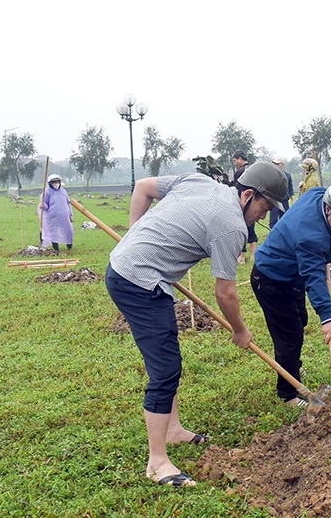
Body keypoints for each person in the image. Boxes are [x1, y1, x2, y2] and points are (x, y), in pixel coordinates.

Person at [105, 162, 287, 488]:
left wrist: (132, 236)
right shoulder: (231, 225)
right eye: (264, 206)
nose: (264, 215)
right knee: (165, 369)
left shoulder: (199, 182)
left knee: (167, 357)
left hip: (141, 274)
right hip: (137, 281)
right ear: (247, 194)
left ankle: (173, 430)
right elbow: (225, 292)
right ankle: (157, 462)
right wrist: (240, 330)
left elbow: (143, 187)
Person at [251, 181, 331, 406]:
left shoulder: (318, 194)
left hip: (292, 278)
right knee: (289, 337)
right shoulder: (311, 238)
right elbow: (314, 278)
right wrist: (328, 318)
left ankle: (292, 366)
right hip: (271, 280)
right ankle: (288, 394)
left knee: (300, 320)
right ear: (328, 209)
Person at [231, 150, 257, 264]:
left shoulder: (240, 171)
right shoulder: (253, 169)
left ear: (240, 159)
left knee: (241, 229)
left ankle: (241, 256)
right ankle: (254, 255)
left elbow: (237, 189)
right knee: (251, 228)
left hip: (243, 204)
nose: (236, 163)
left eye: (235, 160)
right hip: (253, 203)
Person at [39, 174, 74, 254]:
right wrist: (43, 206)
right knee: (54, 233)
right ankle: (56, 249)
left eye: (58, 181)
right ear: (50, 183)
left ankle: (69, 246)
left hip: (64, 216)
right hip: (52, 217)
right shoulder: (47, 192)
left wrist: (70, 214)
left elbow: (68, 203)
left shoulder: (63, 191)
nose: (56, 183)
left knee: (68, 231)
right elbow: (46, 205)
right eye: (54, 182)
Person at [268, 157, 294, 228]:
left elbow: (291, 189)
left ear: (282, 164)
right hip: (275, 201)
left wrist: (293, 201)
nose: (275, 165)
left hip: (285, 201)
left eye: (277, 164)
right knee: (273, 221)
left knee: (285, 220)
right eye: (274, 164)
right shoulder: (272, 175)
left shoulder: (288, 176)